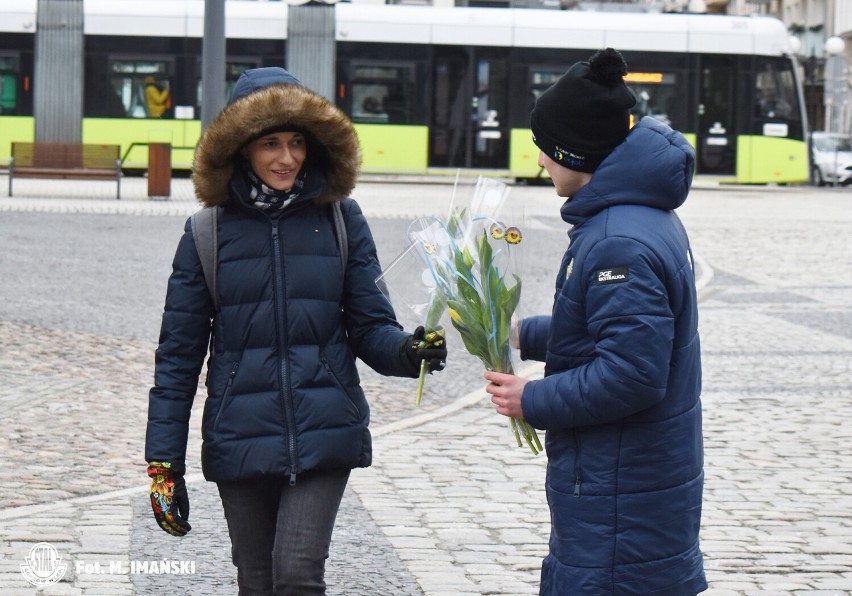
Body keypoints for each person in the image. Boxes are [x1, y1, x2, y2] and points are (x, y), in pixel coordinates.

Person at [145, 67, 447, 595]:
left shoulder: (339, 219)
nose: (287, 158)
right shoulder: (206, 232)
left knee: (297, 575)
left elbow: (371, 327)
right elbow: (178, 356)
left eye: (297, 142)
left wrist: (409, 351)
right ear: (242, 148)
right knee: (257, 581)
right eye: (270, 144)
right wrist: (163, 462)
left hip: (326, 425)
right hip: (239, 430)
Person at [484, 48, 707, 595]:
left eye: (544, 148)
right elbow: (618, 331)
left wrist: (529, 399)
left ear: (573, 151)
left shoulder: (615, 243)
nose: (539, 161)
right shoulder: (635, 216)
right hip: (631, 480)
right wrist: (524, 333)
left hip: (618, 489)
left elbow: (631, 373)